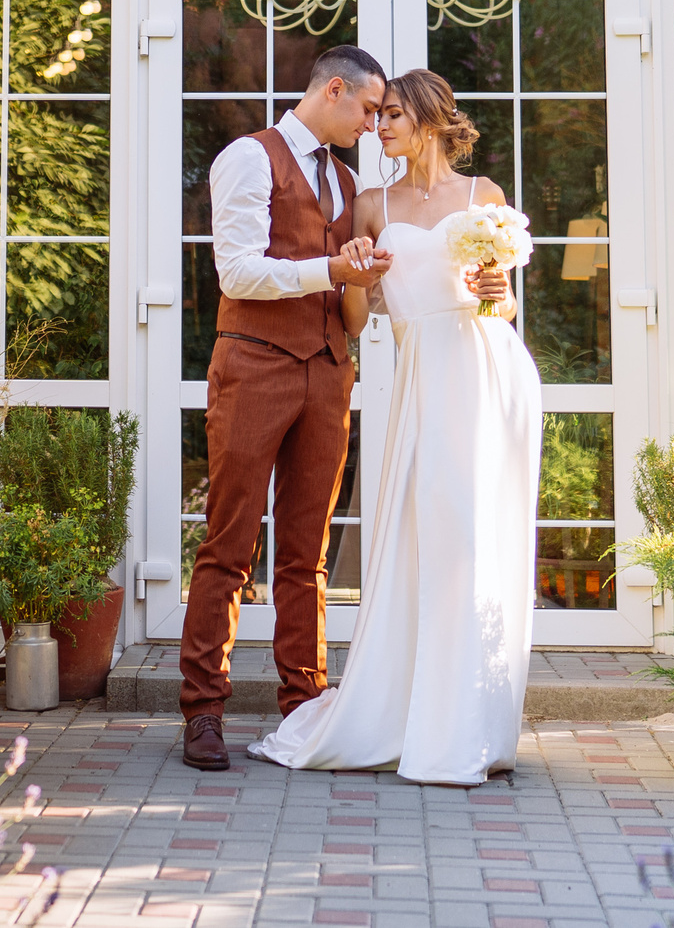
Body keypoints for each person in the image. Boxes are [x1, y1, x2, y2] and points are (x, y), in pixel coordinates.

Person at [248, 67, 541, 786]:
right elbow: (357, 319)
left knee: (477, 541)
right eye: (377, 118)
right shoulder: (371, 203)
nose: (381, 129)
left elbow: (499, 310)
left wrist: (499, 292)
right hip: (421, 383)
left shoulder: (485, 199)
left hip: (486, 376)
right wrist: (353, 273)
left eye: (395, 117)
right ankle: (417, 715)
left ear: (433, 121)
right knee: (429, 539)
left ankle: (473, 724)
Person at [178, 45, 394, 772]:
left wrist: (360, 280)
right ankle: (203, 707)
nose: (372, 123)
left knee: (308, 555)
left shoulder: (348, 178)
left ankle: (304, 705)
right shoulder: (249, 157)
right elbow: (236, 269)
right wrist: (330, 268)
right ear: (334, 89)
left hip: (329, 371)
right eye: (367, 108)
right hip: (254, 366)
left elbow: (352, 308)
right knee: (229, 543)